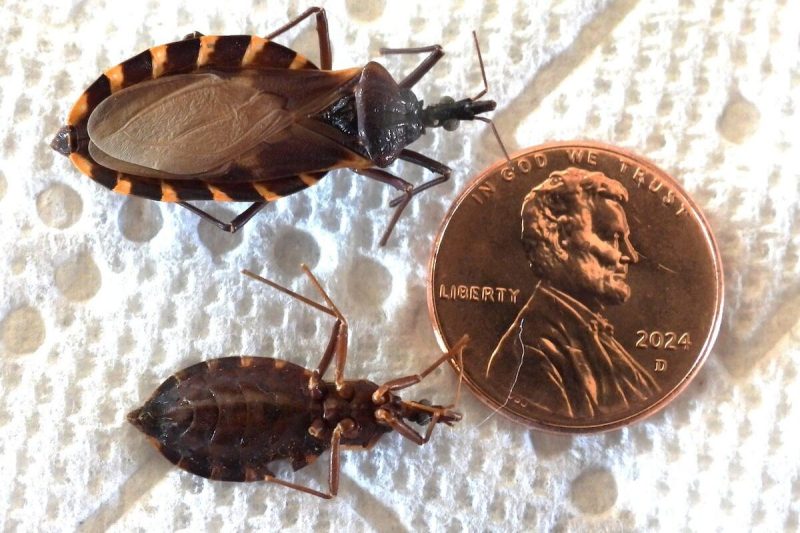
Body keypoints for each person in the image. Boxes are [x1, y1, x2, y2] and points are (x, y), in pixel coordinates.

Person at [485, 167, 659, 419]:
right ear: (561, 237)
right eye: (611, 237)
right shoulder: (531, 353)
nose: (630, 256)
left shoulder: (591, 335)